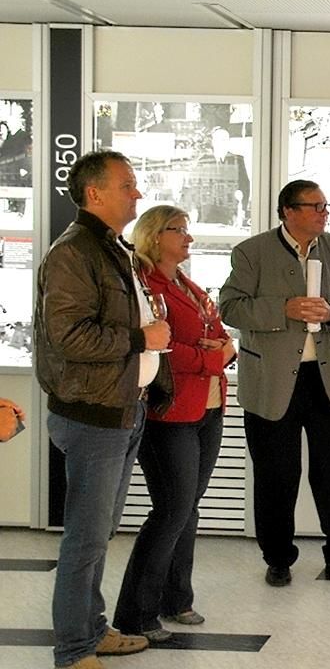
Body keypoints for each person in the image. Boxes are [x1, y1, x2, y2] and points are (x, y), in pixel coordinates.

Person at [34, 149, 173, 669]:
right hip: (93, 415)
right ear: (95, 193)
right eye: (127, 185)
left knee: (99, 535)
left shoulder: (112, 248)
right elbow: (70, 337)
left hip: (123, 408)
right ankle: (73, 650)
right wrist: (142, 337)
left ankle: (92, 630)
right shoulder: (73, 252)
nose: (137, 193)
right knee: (85, 541)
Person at [219, 180, 330, 587]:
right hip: (270, 382)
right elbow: (230, 307)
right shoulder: (252, 252)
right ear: (288, 211)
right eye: (315, 206)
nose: (324, 212)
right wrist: (282, 309)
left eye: (326, 205)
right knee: (276, 476)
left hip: (327, 381)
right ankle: (278, 558)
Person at [112, 206, 235, 643]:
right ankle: (135, 614)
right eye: (178, 230)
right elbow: (161, 346)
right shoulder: (146, 284)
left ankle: (176, 598)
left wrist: (221, 349)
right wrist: (208, 355)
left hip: (209, 404)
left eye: (188, 229)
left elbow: (220, 336)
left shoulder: (187, 284)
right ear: (153, 234)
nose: (189, 238)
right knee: (172, 510)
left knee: (187, 508)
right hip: (172, 410)